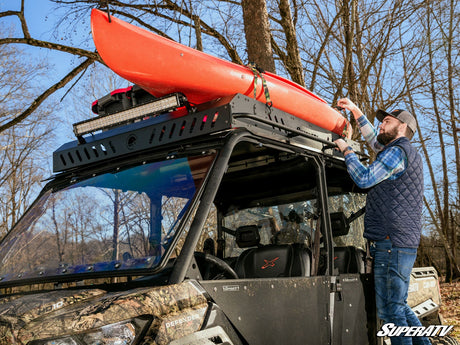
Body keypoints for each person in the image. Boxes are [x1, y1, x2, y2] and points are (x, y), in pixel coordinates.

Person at [334, 98, 430, 345]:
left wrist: (347, 150)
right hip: (400, 242)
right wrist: (356, 112)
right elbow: (373, 141)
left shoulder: (397, 153)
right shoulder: (401, 151)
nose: (381, 126)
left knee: (390, 313)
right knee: (399, 307)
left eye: (386, 121)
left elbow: (364, 179)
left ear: (402, 127)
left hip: (390, 242)